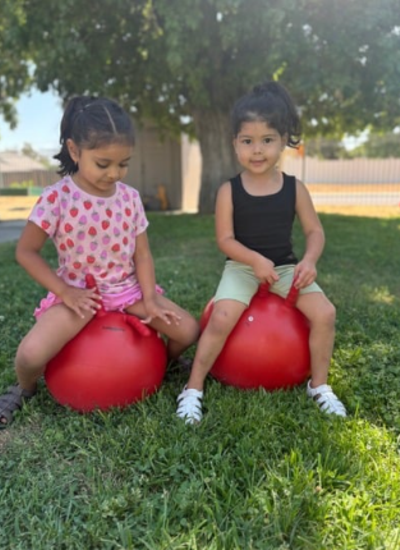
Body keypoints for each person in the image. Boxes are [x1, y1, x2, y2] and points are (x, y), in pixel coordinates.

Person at [0, 96, 199, 427]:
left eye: (123, 164)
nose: (114, 174)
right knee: (30, 355)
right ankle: (24, 388)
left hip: (127, 291)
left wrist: (149, 297)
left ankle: (162, 361)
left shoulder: (130, 198)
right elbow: (26, 252)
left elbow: (142, 254)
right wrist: (65, 293)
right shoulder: (57, 197)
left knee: (188, 330)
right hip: (79, 293)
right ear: (75, 151)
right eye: (103, 164)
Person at [176, 81, 347, 424]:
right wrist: (253, 260)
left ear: (283, 141)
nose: (257, 151)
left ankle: (320, 385)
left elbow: (314, 231)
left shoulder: (294, 189)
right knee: (221, 317)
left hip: (285, 269)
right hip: (242, 267)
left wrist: (308, 260)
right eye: (247, 141)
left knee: (325, 313)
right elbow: (225, 240)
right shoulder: (229, 190)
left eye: (267, 140)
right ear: (235, 144)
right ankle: (193, 388)